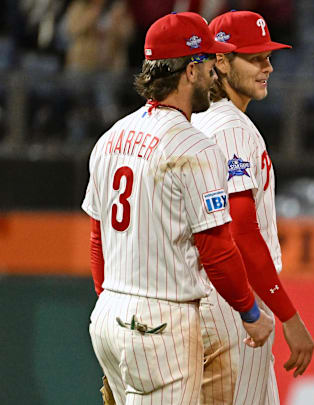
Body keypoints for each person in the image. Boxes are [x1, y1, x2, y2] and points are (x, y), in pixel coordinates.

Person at [81, 12, 274, 405]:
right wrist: (251, 313)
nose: (212, 75)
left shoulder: (110, 138)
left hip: (108, 316)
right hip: (159, 323)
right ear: (189, 70)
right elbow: (217, 250)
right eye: (206, 63)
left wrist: (111, 305)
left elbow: (98, 239)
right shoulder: (193, 148)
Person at [192, 10, 314, 405]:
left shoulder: (200, 121)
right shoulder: (229, 128)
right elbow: (242, 232)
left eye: (268, 56)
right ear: (222, 62)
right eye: (255, 57)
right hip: (230, 300)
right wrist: (289, 316)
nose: (268, 67)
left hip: (211, 294)